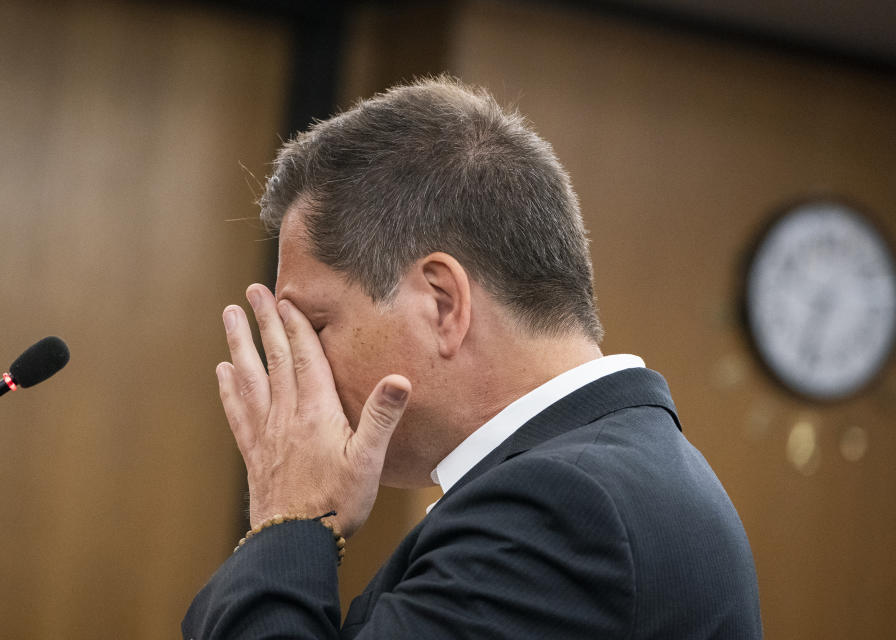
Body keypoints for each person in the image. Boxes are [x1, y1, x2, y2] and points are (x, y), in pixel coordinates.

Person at [182, 76, 762, 639]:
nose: (300, 374)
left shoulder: (563, 509)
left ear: (442, 303)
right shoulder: (606, 474)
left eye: (313, 325)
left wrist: (290, 519)